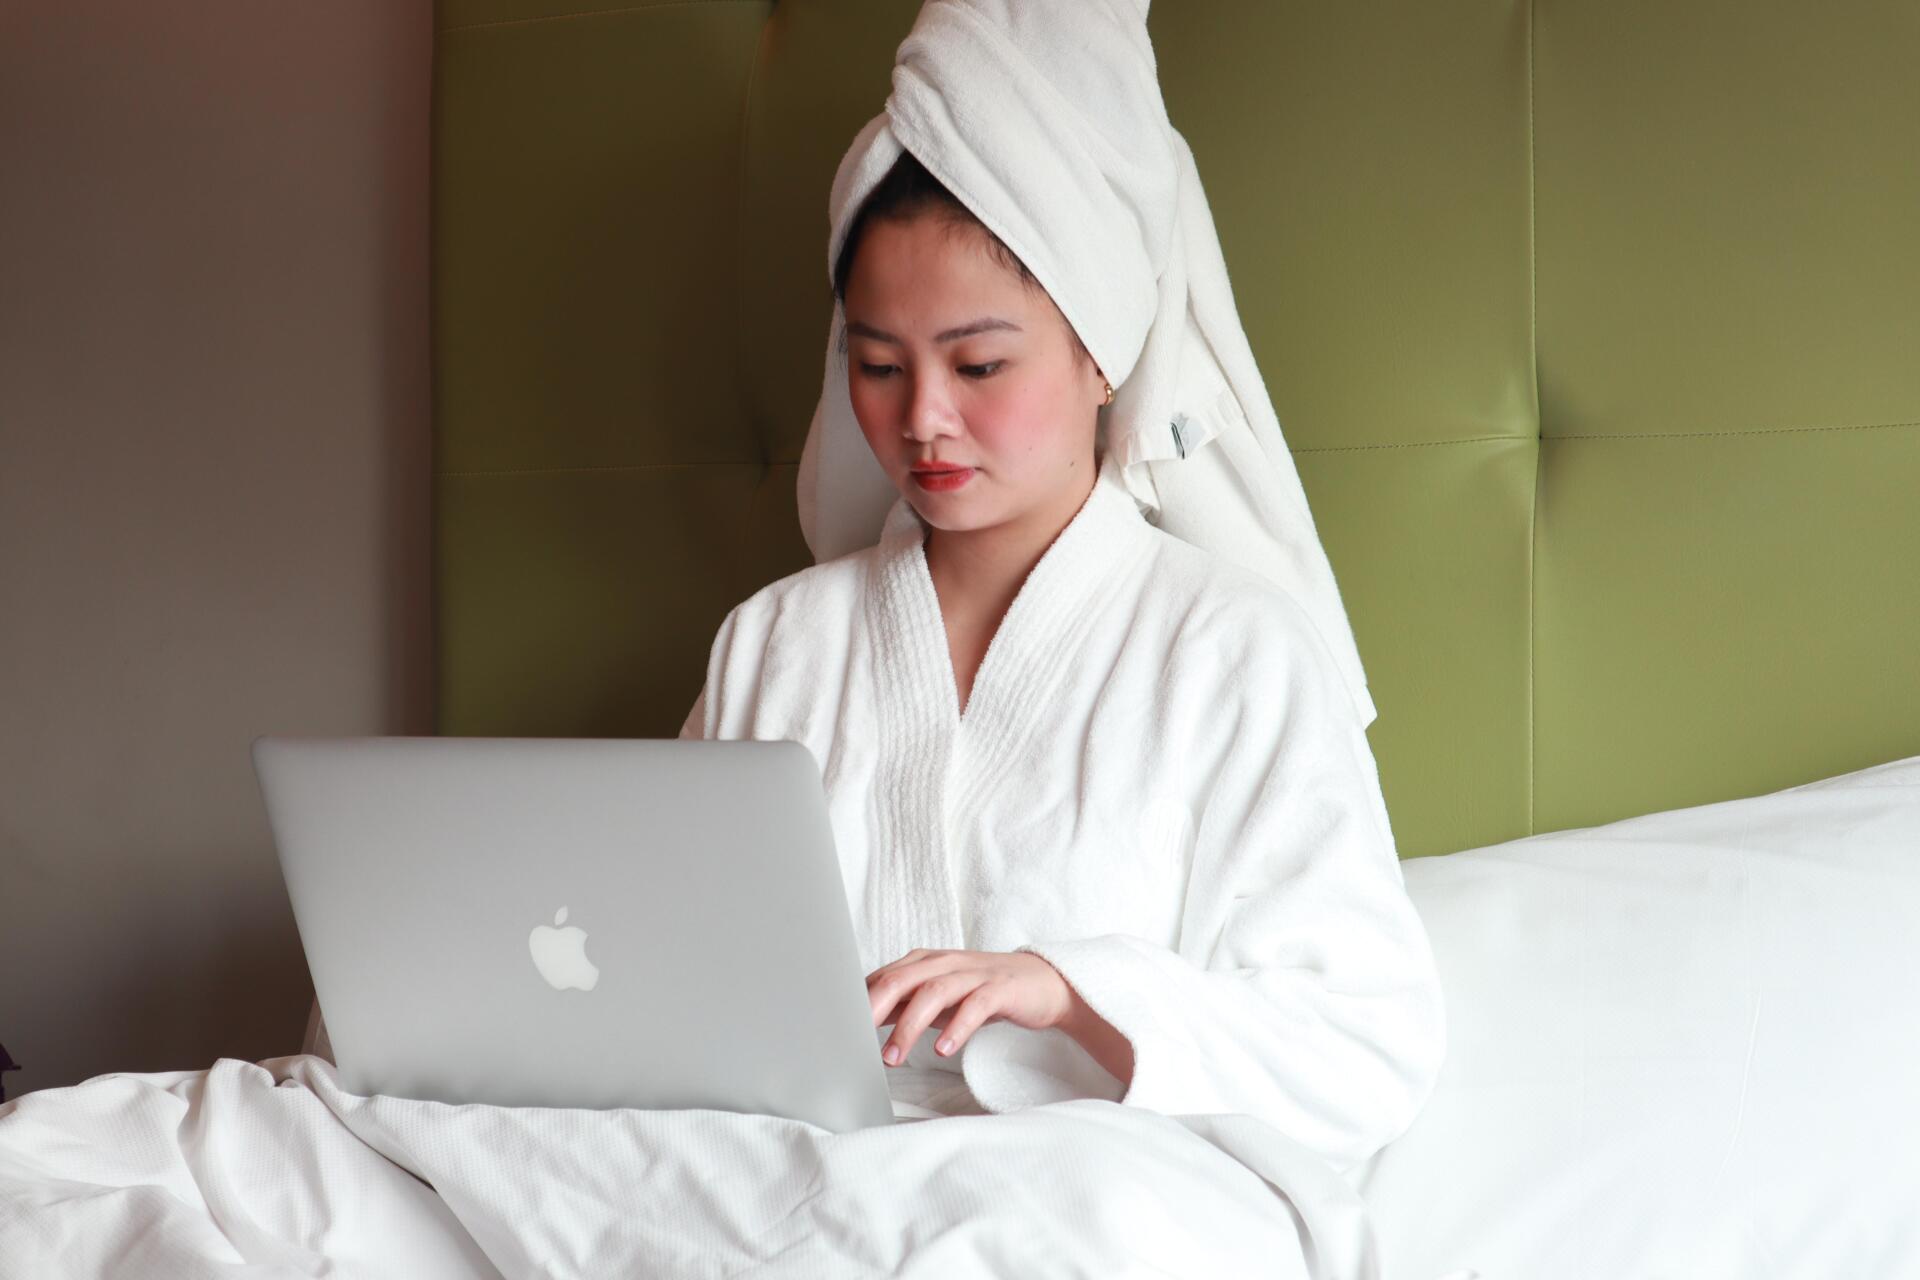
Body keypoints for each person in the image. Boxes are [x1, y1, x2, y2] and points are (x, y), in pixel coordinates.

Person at [680, 134, 1446, 1173]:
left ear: (1102, 356)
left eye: (979, 365)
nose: (922, 419)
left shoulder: (1238, 652)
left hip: (1086, 1190)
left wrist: (1072, 991)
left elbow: (1364, 1047)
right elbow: (656, 969)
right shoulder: (773, 641)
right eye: (879, 366)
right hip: (789, 1176)